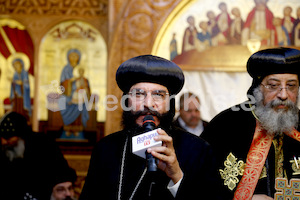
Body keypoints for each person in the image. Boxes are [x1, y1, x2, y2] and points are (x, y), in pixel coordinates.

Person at [79, 55, 223, 200]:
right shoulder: (105, 148)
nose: (148, 103)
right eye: (138, 94)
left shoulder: (198, 149)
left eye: (158, 95)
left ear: (170, 104)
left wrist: (176, 176)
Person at [201, 47, 300, 200]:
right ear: (257, 88)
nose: (283, 94)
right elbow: (197, 188)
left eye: (291, 85)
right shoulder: (224, 126)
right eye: (273, 85)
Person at [0, 111, 71, 199]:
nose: (3, 142)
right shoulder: (5, 149)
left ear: (22, 136)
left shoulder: (43, 144)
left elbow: (62, 173)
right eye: (2, 137)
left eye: (8, 138)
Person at [60, 49, 89, 139]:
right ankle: (68, 130)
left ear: (79, 57)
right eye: (71, 56)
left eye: (75, 56)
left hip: (79, 95)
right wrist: (70, 82)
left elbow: (85, 82)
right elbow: (62, 83)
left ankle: (77, 130)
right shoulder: (66, 69)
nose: (73, 58)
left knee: (80, 105)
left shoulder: (80, 68)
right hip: (67, 95)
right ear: (68, 57)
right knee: (65, 103)